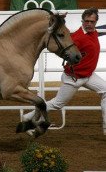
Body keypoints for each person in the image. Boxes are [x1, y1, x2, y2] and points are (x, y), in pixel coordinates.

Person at [23, 7, 106, 136]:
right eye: (86, 21)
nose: (89, 24)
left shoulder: (93, 32)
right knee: (57, 104)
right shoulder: (76, 38)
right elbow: (63, 46)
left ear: (96, 22)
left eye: (92, 21)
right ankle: (28, 117)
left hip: (89, 75)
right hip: (74, 78)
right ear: (82, 21)